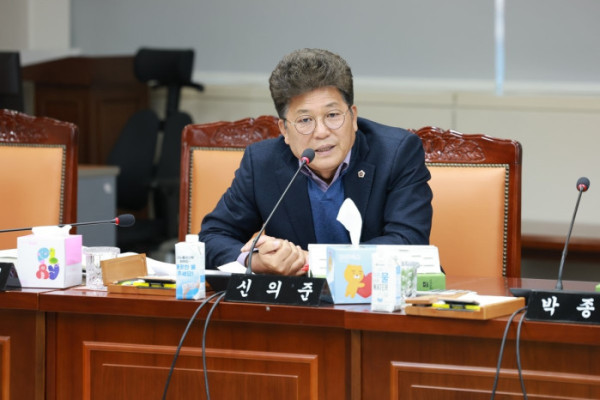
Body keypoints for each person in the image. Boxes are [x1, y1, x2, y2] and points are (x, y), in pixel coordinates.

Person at [199, 48, 433, 275]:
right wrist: (256, 261)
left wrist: (315, 260)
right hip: (297, 299)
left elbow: (409, 242)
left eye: (332, 115)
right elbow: (212, 237)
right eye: (305, 120)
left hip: (379, 295)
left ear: (353, 117)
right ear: (284, 130)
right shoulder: (262, 163)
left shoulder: (397, 153)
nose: (321, 132)